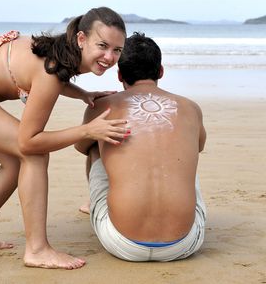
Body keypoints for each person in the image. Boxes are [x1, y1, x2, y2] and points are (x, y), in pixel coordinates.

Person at [0, 7, 129, 270]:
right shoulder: (51, 68)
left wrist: (82, 94)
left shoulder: (59, 56)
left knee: (15, 162)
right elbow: (30, 141)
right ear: (81, 40)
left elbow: (48, 77)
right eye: (102, 45)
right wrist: (87, 130)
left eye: (117, 50)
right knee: (34, 154)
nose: (109, 57)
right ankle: (37, 250)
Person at [74, 32, 207, 262]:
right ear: (161, 71)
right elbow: (199, 146)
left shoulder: (102, 106)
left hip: (122, 242)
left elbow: (80, 146)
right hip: (184, 243)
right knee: (183, 153)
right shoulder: (190, 107)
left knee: (95, 144)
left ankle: (95, 202)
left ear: (119, 75)